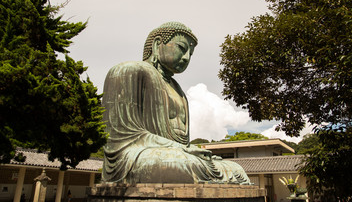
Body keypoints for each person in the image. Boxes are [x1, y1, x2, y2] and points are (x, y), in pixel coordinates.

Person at [102, 22, 250, 184]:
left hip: (176, 154)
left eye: (190, 54)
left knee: (235, 169)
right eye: (181, 48)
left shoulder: (178, 91)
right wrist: (181, 149)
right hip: (135, 156)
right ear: (158, 44)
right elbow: (120, 138)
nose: (186, 57)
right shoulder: (129, 71)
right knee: (179, 164)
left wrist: (185, 149)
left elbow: (183, 142)